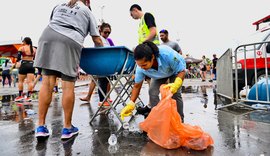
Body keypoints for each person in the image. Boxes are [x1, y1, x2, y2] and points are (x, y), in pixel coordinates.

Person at [34, 0, 103, 140]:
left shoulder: (58, 6)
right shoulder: (87, 11)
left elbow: (55, 23)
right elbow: (97, 39)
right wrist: (102, 55)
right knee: (67, 85)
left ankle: (40, 127)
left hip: (48, 35)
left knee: (47, 82)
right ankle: (67, 128)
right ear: (88, 1)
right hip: (70, 39)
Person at [120, 41, 186, 122]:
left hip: (175, 71)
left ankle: (179, 121)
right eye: (139, 65)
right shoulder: (140, 68)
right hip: (159, 74)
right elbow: (137, 86)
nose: (142, 68)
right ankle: (158, 119)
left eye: (144, 65)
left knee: (175, 94)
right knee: (152, 92)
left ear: (152, 57)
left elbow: (182, 71)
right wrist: (131, 103)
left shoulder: (167, 54)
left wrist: (177, 83)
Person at [79, 22, 114, 107]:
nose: (107, 34)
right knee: (101, 80)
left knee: (104, 81)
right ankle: (102, 100)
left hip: (105, 63)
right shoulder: (99, 39)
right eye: (105, 32)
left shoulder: (107, 40)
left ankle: (104, 98)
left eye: (109, 33)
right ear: (100, 31)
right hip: (100, 63)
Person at [14, 37, 37, 102]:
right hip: (31, 65)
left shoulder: (22, 48)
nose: (22, 42)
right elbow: (35, 58)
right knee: (30, 82)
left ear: (25, 42)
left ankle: (20, 96)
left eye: (23, 41)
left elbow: (18, 58)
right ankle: (28, 97)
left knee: (20, 81)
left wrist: (17, 63)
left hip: (24, 64)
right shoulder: (34, 49)